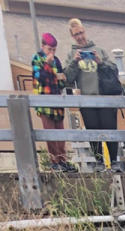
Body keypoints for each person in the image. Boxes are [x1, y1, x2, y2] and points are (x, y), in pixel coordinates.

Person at [64, 19, 122, 170]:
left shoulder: (99, 50)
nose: (80, 36)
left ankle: (114, 161)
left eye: (81, 32)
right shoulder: (72, 54)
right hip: (86, 99)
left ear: (85, 31)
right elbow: (67, 79)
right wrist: (75, 62)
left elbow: (114, 70)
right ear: (72, 36)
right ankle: (99, 162)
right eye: (76, 34)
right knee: (93, 131)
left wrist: (100, 61)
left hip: (104, 97)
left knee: (110, 129)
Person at [32, 34, 75, 173]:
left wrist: (60, 76)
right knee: (50, 133)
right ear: (43, 46)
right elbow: (40, 78)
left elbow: (62, 80)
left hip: (57, 101)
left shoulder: (56, 60)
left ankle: (63, 160)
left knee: (60, 132)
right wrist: (47, 65)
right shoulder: (37, 59)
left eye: (54, 50)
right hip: (45, 102)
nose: (52, 52)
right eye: (49, 49)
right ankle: (54, 162)